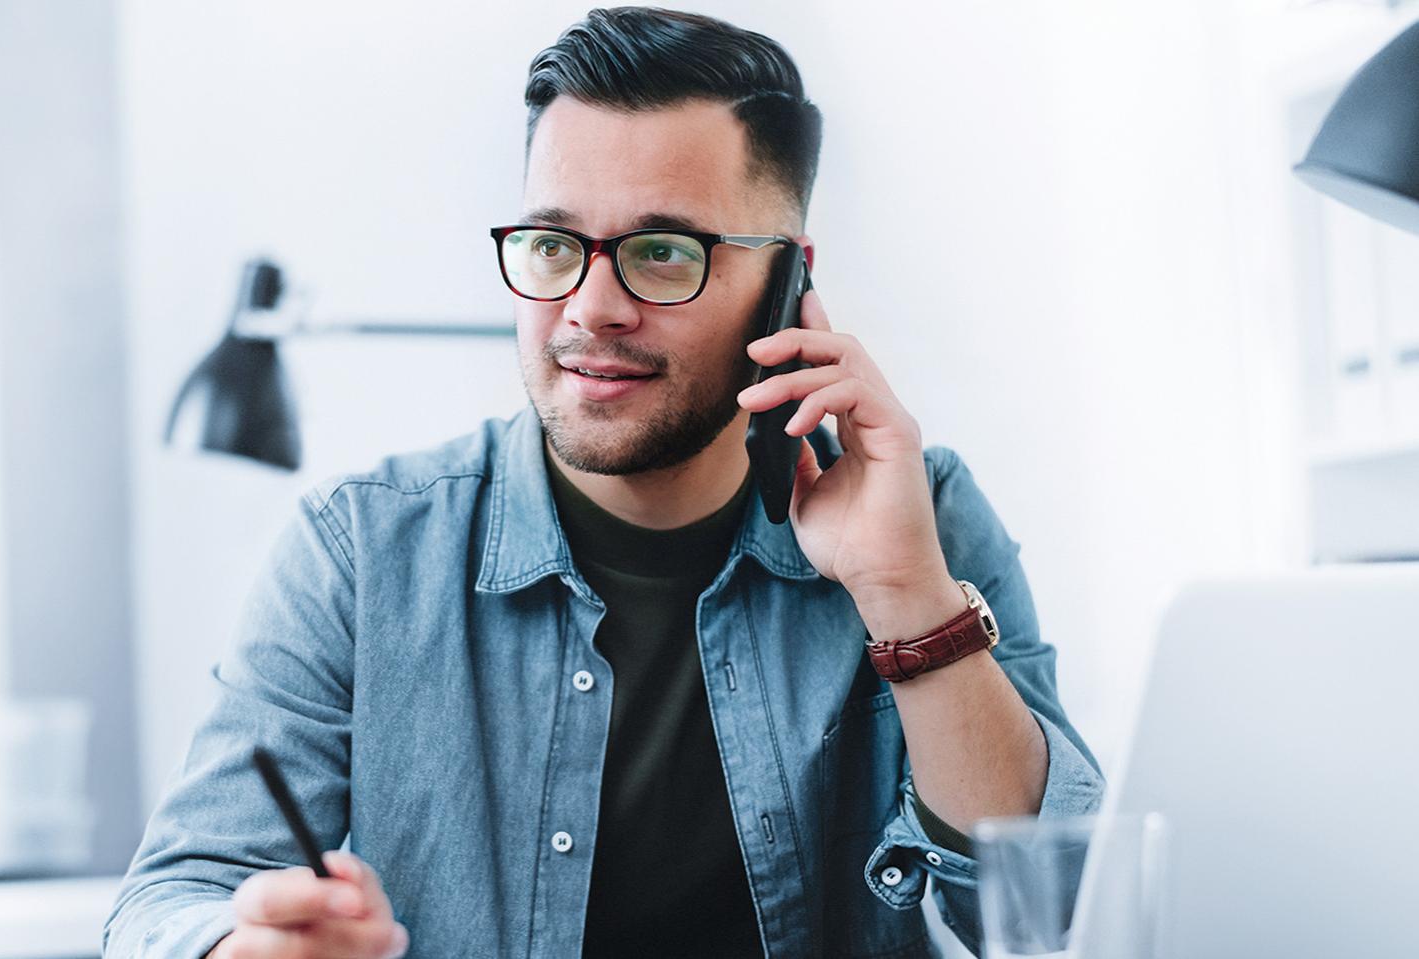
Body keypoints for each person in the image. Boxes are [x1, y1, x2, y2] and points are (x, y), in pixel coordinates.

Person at [104, 7, 1101, 957]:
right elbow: (170, 897)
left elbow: (1050, 917)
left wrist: (904, 597)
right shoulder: (362, 550)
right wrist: (246, 940)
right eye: (551, 245)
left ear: (788, 281)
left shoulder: (918, 518)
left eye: (662, 253)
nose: (590, 306)